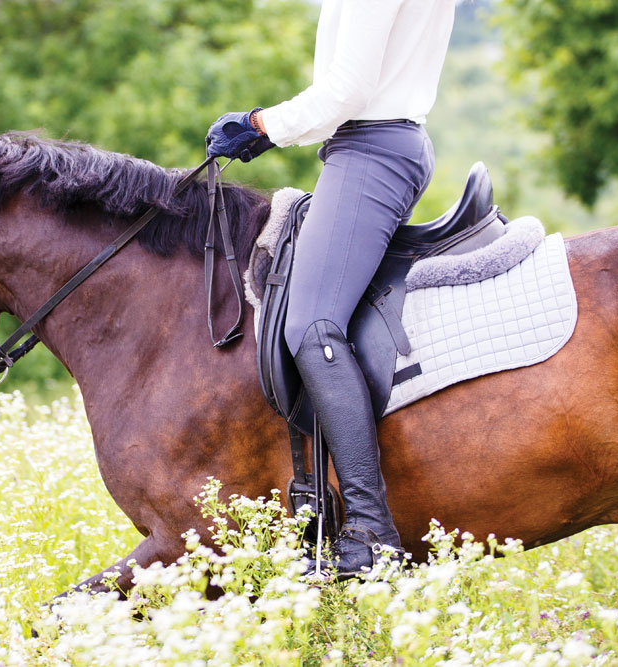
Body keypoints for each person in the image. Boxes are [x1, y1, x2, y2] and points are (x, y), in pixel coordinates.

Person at [205, 0, 456, 579]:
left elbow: (347, 90)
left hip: (373, 151)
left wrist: (261, 122)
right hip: (361, 147)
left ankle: (371, 529)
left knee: (312, 324)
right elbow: (341, 100)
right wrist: (269, 133)